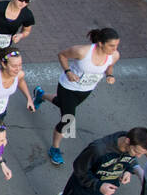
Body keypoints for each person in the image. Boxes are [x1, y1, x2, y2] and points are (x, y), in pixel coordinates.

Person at [42, 28, 122, 166]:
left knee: (63, 105)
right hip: (68, 87)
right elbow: (62, 55)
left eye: (116, 45)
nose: (115, 49)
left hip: (86, 89)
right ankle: (54, 148)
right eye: (112, 45)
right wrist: (68, 72)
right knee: (68, 119)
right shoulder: (82, 51)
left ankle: (40, 95)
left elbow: (110, 66)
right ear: (101, 43)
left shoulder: (114, 55)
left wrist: (109, 75)